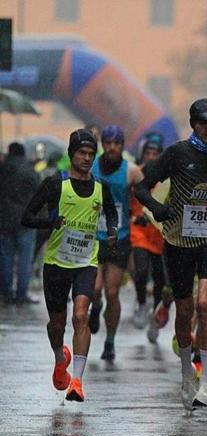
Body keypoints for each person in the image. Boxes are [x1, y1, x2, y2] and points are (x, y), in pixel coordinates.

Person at [134, 98, 207, 410]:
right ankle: (186, 375)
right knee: (185, 311)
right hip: (178, 241)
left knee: (206, 304)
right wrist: (158, 208)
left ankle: (206, 382)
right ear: (193, 123)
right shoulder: (178, 153)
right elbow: (141, 187)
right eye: (203, 122)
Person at [21, 129, 118, 402]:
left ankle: (77, 381)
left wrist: (111, 230)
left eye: (91, 154)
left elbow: (111, 213)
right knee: (57, 324)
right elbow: (27, 217)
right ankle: (58, 356)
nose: (87, 159)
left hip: (86, 262)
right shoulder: (55, 184)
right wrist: (49, 223)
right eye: (82, 153)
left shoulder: (101, 187)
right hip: (55, 263)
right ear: (71, 155)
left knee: (80, 316)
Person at [89, 126, 145, 361]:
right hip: (92, 237)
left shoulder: (130, 171)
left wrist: (143, 214)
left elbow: (146, 194)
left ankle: (110, 342)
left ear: (122, 145)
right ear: (102, 143)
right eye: (108, 142)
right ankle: (96, 306)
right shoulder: (90, 166)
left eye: (117, 143)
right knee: (94, 289)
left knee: (112, 292)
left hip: (119, 239)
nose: (112, 147)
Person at [129, 139, 169, 343]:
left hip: (161, 234)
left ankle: (156, 316)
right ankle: (142, 303)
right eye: (149, 153)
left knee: (161, 281)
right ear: (143, 154)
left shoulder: (167, 176)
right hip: (140, 232)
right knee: (141, 270)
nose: (152, 157)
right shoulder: (137, 174)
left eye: (156, 153)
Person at [0, 142, 40, 304]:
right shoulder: (31, 172)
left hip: (5, 221)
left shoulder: (3, 170)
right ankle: (22, 294)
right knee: (25, 259)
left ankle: (7, 292)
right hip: (27, 221)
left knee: (6, 257)